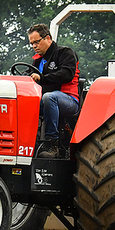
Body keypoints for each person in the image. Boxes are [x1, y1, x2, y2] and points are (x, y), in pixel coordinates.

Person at [28, 23, 80, 158]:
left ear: (48, 39)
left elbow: (66, 74)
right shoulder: (37, 61)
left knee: (49, 98)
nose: (34, 46)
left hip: (68, 100)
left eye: (37, 42)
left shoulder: (65, 53)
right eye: (32, 43)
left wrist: (42, 78)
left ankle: (52, 144)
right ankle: (28, 142)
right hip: (46, 99)